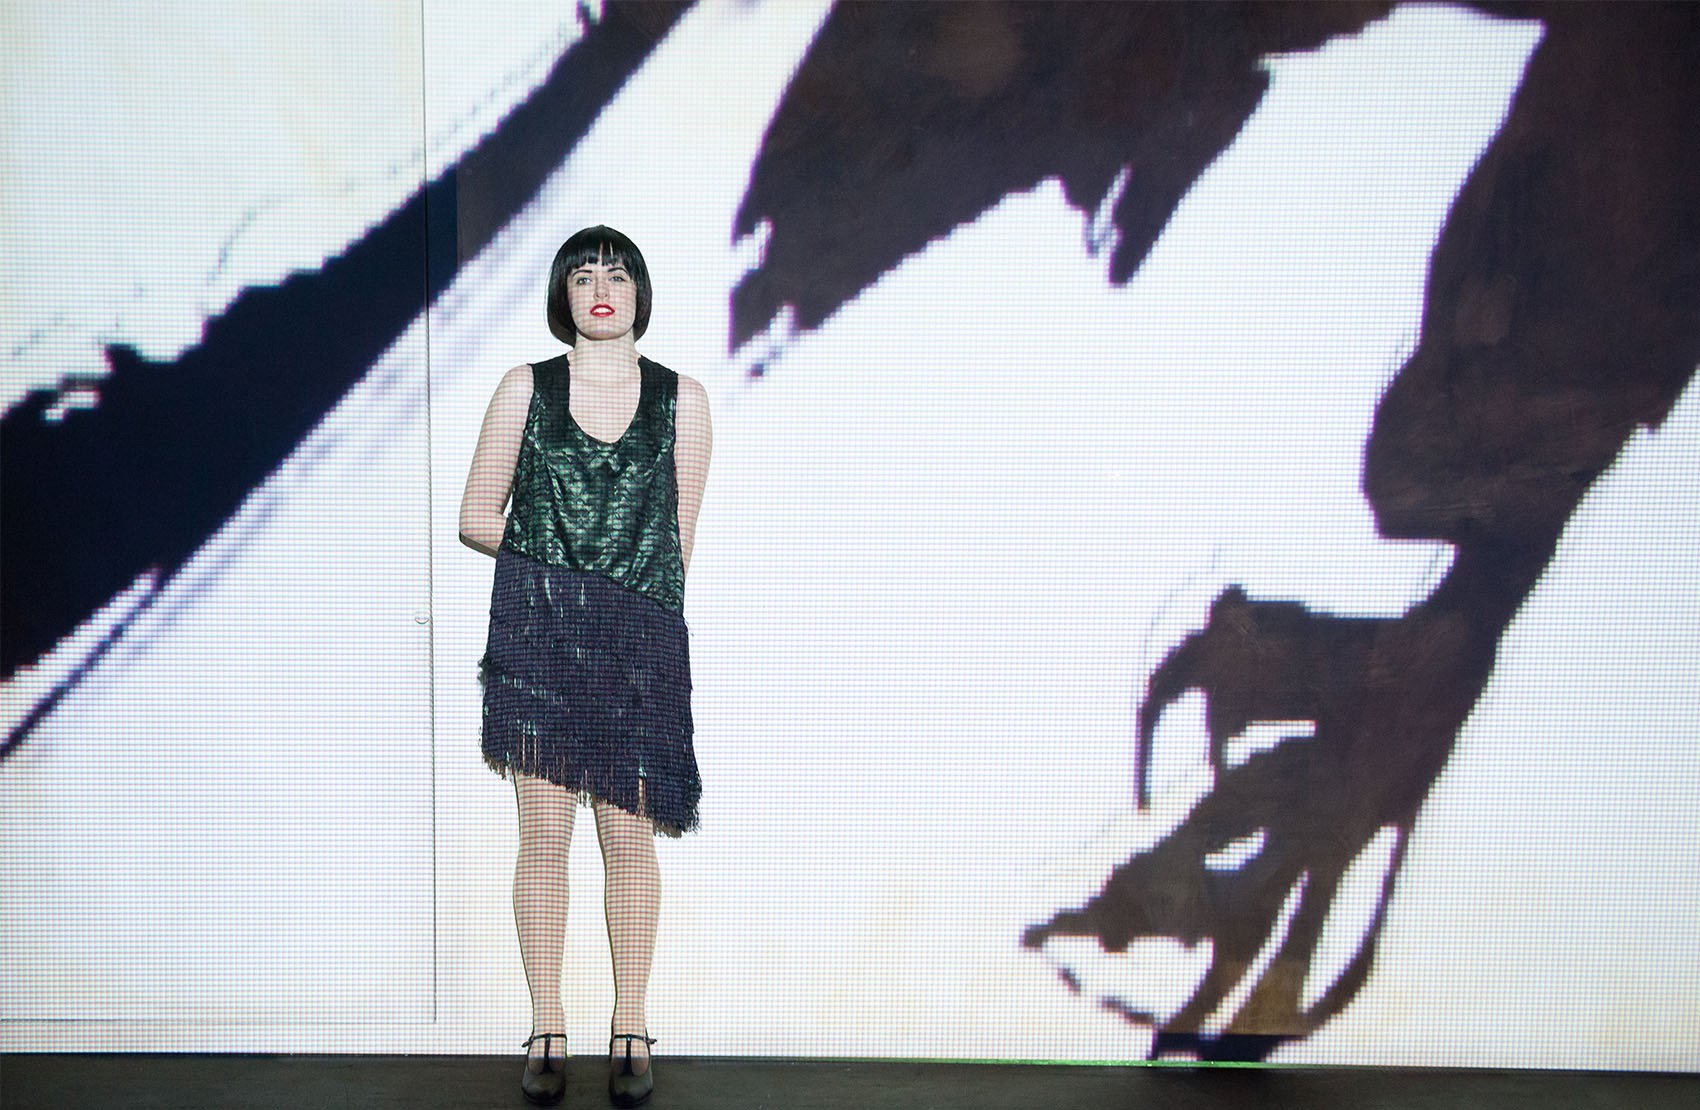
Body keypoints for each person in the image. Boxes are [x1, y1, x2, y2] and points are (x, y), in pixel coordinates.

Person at [458, 225, 712, 1106]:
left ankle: (632, 1023)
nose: (599, 286)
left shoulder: (684, 400)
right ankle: (546, 1024)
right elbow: (475, 515)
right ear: (562, 296)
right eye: (581, 274)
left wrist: (622, 609)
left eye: (616, 273)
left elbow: (676, 547)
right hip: (541, 642)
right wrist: (566, 577)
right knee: (543, 837)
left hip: (637, 651)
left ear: (641, 291)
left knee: (629, 840)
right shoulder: (524, 388)